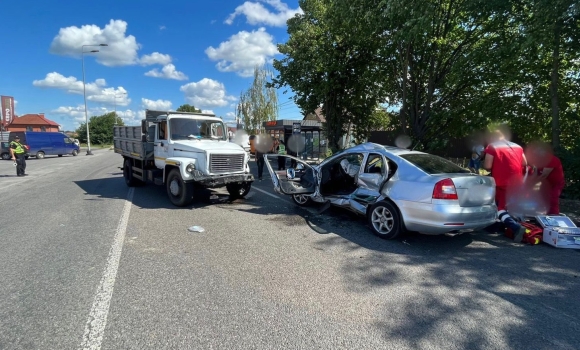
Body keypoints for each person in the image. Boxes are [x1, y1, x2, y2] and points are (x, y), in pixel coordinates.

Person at [483, 128, 527, 242]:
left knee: (498, 207)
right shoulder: (518, 146)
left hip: (502, 181)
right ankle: (496, 227)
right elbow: (524, 163)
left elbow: (487, 166)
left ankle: (516, 227)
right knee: (506, 205)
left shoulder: (492, 146)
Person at [527, 143, 565, 215]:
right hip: (546, 182)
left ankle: (554, 214)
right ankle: (541, 213)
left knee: (552, 199)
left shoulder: (551, 160)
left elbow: (544, 175)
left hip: (555, 183)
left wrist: (532, 184)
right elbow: (536, 172)